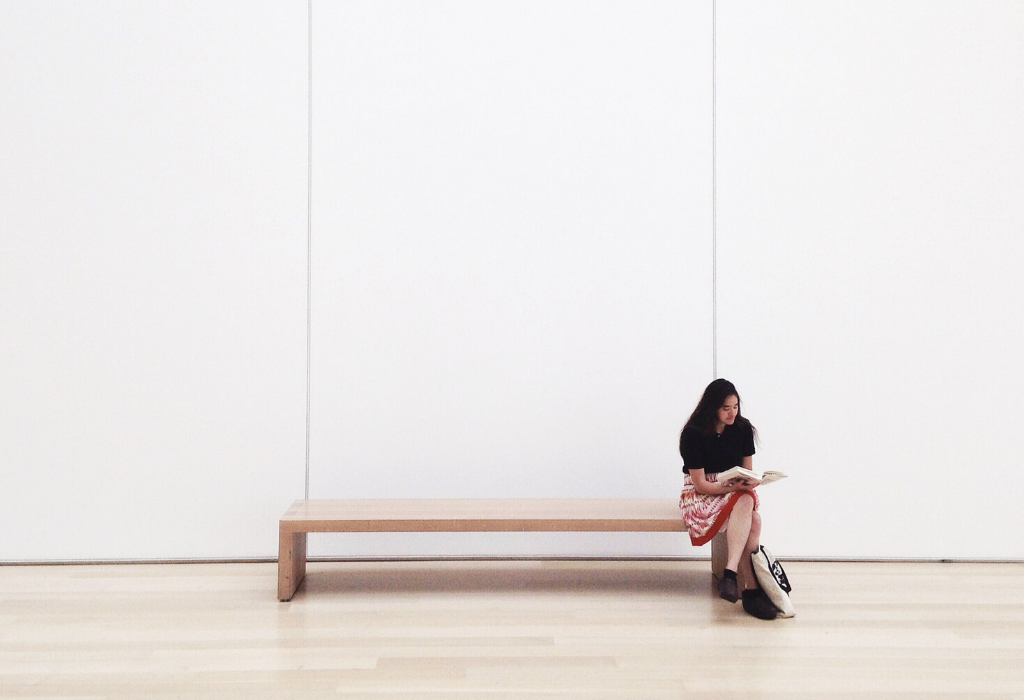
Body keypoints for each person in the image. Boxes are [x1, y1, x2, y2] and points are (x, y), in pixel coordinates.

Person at [679, 378, 779, 620]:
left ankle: (731, 575)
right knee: (752, 519)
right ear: (712, 406)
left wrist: (752, 481)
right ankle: (750, 590)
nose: (732, 412)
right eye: (726, 408)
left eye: (735, 406)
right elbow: (700, 484)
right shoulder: (693, 434)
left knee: (746, 503)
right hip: (702, 493)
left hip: (736, 491)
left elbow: (747, 471)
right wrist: (728, 488)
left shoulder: (743, 429)